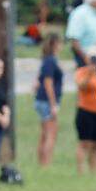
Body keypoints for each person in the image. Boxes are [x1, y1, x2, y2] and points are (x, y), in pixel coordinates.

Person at [74, 47, 96, 174]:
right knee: (85, 143)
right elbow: (81, 86)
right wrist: (89, 72)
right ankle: (81, 171)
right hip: (85, 111)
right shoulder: (82, 72)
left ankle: (95, 171)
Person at [34, 34, 64, 166]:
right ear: (55, 44)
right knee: (51, 134)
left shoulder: (48, 60)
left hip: (41, 100)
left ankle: (41, 163)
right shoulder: (51, 61)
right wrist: (53, 104)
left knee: (44, 133)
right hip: (47, 101)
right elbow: (48, 83)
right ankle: (46, 164)